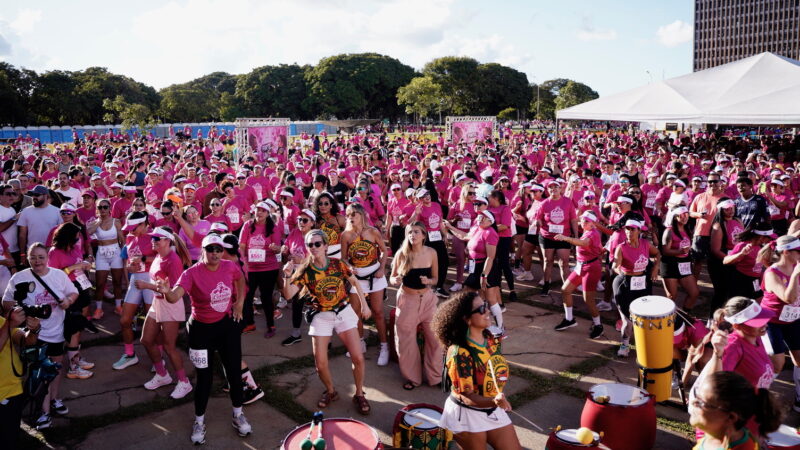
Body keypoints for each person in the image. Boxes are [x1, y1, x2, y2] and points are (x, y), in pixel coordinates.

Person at [156, 234, 251, 444]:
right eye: (211, 249)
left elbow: (240, 278)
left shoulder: (228, 266)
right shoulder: (191, 273)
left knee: (234, 373)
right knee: (205, 379)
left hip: (226, 326)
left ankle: (238, 414)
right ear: (203, 251)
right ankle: (199, 421)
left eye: (218, 249)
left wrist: (239, 302)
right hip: (201, 331)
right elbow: (174, 296)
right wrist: (165, 292)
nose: (215, 253)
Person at [280, 230, 373, 415]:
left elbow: (354, 282)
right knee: (320, 364)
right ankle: (331, 391)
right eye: (310, 245)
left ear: (325, 246)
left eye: (317, 244)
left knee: (358, 357)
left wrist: (365, 305)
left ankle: (359, 393)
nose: (313, 247)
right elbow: (289, 294)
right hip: (320, 315)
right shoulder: (305, 271)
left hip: (342, 311)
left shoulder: (337, 264)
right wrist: (287, 275)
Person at [2, 243, 78, 430]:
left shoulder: (58, 275)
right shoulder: (20, 277)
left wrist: (67, 301)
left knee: (57, 368)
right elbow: (6, 302)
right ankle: (43, 413)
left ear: (47, 258)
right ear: (27, 259)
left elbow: (73, 292)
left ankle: (54, 399)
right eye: (33, 257)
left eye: (41, 257)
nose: (37, 261)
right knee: (40, 371)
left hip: (57, 332)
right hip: (33, 334)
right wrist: (19, 312)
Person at [433, 291, 522, 450]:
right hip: (466, 414)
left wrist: (495, 399)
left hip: (492, 407)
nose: (488, 311)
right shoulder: (459, 353)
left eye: (486, 306)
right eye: (481, 309)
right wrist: (494, 401)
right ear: (466, 319)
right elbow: (466, 396)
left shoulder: (491, 338)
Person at [132, 226, 193, 399]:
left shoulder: (173, 260)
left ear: (167, 241)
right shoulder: (159, 255)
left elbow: (173, 290)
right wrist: (137, 265)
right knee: (146, 340)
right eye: (153, 238)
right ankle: (162, 375)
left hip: (170, 305)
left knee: (168, 346)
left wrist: (147, 286)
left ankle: (184, 382)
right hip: (157, 303)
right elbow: (155, 274)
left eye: (157, 239)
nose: (153, 241)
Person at [389, 221, 443, 390]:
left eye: (416, 232)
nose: (413, 235)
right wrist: (395, 280)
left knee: (436, 339)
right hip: (407, 301)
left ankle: (435, 377)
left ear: (424, 235)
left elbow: (435, 278)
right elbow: (391, 277)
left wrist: (429, 281)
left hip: (427, 300)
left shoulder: (432, 252)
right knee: (406, 342)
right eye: (410, 232)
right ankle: (413, 377)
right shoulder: (401, 254)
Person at [341, 203, 389, 365]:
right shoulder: (346, 235)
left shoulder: (373, 232)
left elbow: (384, 251)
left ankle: (384, 346)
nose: (350, 217)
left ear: (362, 214)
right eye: (348, 215)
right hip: (357, 278)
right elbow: (343, 257)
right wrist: (349, 266)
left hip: (375, 275)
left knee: (377, 311)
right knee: (356, 313)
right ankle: (360, 342)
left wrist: (382, 268)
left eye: (353, 214)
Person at [444, 209, 505, 336]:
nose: (480, 219)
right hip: (474, 266)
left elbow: (490, 257)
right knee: (467, 294)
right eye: (480, 217)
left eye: (483, 218)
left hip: (486, 268)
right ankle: (469, 322)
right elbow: (464, 236)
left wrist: (484, 275)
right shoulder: (477, 229)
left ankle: (500, 328)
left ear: (490, 221)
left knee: (490, 298)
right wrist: (450, 226)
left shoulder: (490, 233)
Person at [757, 234, 800, 410]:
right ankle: (757, 398)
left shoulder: (796, 267)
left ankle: (799, 399)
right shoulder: (772, 273)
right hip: (771, 322)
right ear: (785, 252)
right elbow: (788, 298)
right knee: (777, 364)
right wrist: (796, 275)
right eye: (798, 251)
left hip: (793, 319)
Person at [689, 371, 781, 449]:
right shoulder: (715, 433)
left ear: (731, 417)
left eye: (702, 403)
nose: (693, 402)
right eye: (697, 397)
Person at [612, 216, 660, 357]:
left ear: (639, 231)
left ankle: (644, 343)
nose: (629, 232)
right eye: (627, 229)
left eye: (632, 229)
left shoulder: (645, 244)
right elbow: (615, 265)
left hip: (642, 283)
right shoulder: (621, 248)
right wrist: (619, 270)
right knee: (627, 321)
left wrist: (656, 267)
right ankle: (625, 344)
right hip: (625, 284)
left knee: (644, 316)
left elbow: (657, 253)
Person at [113, 211, 156, 370]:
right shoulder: (130, 238)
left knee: (153, 321)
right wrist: (130, 267)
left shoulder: (154, 237)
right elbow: (129, 261)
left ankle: (157, 358)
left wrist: (144, 259)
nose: (129, 230)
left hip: (151, 280)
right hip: (135, 280)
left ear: (144, 224)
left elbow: (165, 257)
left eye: (133, 227)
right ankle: (130, 354)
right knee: (125, 320)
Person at [553, 211, 604, 339]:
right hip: (581, 266)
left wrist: (566, 238)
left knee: (588, 300)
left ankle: (598, 325)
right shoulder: (587, 232)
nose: (583, 222)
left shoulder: (593, 234)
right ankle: (569, 319)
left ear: (593, 224)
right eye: (582, 220)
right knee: (565, 290)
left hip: (591, 268)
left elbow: (584, 243)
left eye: (586, 221)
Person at [239, 201, 283, 338]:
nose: (259, 213)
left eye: (263, 211)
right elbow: (241, 246)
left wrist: (276, 249)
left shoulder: (273, 227)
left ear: (268, 213)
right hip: (250, 268)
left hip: (268, 268)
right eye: (258, 210)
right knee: (247, 296)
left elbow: (277, 248)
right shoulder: (248, 225)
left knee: (266, 298)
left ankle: (271, 325)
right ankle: (250, 323)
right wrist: (243, 263)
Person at [0, 303, 40, 448]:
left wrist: (34, 330)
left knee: (10, 440)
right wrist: (8, 324)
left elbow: (25, 341)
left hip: (12, 392)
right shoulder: (5, 324)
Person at [280, 208, 316, 346]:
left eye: (305, 220)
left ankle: (324, 336)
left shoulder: (315, 236)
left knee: (316, 304)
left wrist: (302, 261)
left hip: (312, 275)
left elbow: (319, 257)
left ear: (312, 223)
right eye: (299, 219)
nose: (301, 222)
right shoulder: (294, 232)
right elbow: (287, 248)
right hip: (296, 275)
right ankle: (296, 333)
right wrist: (284, 250)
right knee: (296, 303)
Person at [536, 181, 578, 295]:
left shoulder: (568, 202)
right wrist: (539, 223)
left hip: (563, 237)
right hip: (547, 236)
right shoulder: (544, 203)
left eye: (556, 187)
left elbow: (573, 219)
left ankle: (566, 289)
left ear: (561, 189)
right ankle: (546, 285)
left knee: (564, 263)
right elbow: (538, 218)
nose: (553, 189)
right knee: (547, 261)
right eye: (550, 187)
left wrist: (576, 236)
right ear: (547, 190)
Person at [86, 198, 125, 317]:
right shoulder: (94, 223)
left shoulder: (116, 221)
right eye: (99, 207)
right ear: (96, 209)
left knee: (117, 282)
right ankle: (99, 309)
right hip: (101, 254)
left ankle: (118, 306)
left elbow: (122, 239)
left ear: (109, 208)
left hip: (116, 253)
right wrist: (98, 221)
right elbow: (88, 233)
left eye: (105, 207)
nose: (102, 209)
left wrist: (124, 256)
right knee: (100, 283)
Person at [410, 188, 449, 297]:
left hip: (437, 237)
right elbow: (411, 225)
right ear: (419, 199)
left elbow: (440, 222)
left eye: (427, 193)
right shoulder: (419, 209)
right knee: (426, 264)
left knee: (444, 262)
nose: (427, 196)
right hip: (426, 239)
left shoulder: (436, 205)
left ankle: (439, 287)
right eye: (423, 196)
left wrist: (445, 234)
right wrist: (415, 214)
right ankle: (423, 287)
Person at [708, 198, 744, 315]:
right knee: (721, 292)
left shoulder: (738, 220)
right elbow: (715, 250)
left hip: (735, 260)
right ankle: (712, 318)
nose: (730, 210)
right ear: (721, 210)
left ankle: (730, 316)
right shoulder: (718, 226)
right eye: (727, 208)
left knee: (734, 291)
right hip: (720, 262)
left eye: (732, 207)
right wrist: (732, 259)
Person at [660, 206, 700, 310]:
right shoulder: (669, 231)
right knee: (671, 296)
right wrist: (680, 251)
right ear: (675, 217)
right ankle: (666, 320)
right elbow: (665, 251)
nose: (685, 217)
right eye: (682, 215)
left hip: (684, 264)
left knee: (694, 293)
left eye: (686, 214)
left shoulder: (687, 229)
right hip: (670, 264)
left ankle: (685, 317)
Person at [723, 222, 774, 300]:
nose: (770, 240)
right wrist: (741, 254)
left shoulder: (762, 247)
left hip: (755, 281)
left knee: (757, 304)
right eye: (769, 238)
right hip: (741, 281)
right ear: (761, 237)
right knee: (740, 307)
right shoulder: (743, 245)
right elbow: (725, 261)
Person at [18, 185, 62, 267]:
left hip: (51, 252)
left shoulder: (57, 211)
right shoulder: (26, 211)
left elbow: (60, 234)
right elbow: (22, 235)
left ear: (46, 196)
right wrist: (22, 254)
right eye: (33, 195)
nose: (34, 197)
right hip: (32, 253)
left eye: (37, 195)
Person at [447, 184, 477, 292]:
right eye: (470, 193)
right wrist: (455, 220)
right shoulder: (456, 205)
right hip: (458, 235)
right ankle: (458, 282)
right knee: (460, 259)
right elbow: (449, 221)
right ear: (464, 193)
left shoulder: (477, 204)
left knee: (472, 260)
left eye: (474, 193)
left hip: (472, 236)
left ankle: (471, 283)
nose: (473, 195)